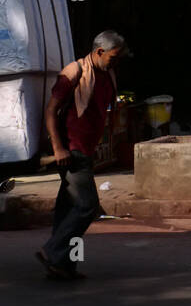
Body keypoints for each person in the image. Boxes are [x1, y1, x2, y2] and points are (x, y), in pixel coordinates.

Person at [37, 30, 129, 280]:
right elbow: (50, 111)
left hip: (87, 149)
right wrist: (58, 148)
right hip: (71, 150)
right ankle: (52, 250)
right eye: (113, 57)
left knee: (67, 209)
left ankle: (62, 266)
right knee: (88, 207)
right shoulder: (74, 72)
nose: (116, 61)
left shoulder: (107, 73)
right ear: (99, 52)